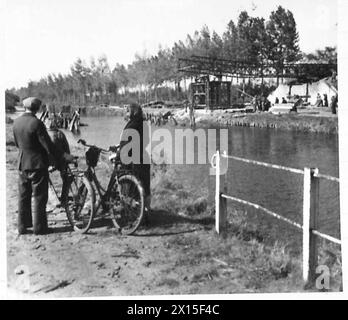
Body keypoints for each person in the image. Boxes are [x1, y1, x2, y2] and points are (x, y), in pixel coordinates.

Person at [13, 97, 61, 235]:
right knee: (39, 197)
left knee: (23, 196)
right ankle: (39, 228)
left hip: (22, 164)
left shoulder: (16, 122)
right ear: (37, 108)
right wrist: (62, 156)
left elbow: (17, 144)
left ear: (25, 107)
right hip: (38, 165)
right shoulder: (37, 123)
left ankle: (22, 227)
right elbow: (48, 146)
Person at [120, 102, 151, 213]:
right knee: (145, 186)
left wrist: (121, 151)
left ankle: (131, 210)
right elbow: (146, 141)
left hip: (132, 159)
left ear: (133, 112)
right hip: (144, 157)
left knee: (129, 184)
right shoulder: (144, 123)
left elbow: (126, 142)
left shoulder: (132, 124)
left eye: (128, 111)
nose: (126, 113)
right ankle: (146, 212)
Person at [44, 116, 74, 204]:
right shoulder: (60, 134)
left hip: (47, 162)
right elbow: (67, 149)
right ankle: (64, 198)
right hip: (60, 161)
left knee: (45, 179)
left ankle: (52, 198)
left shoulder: (43, 134)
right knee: (66, 178)